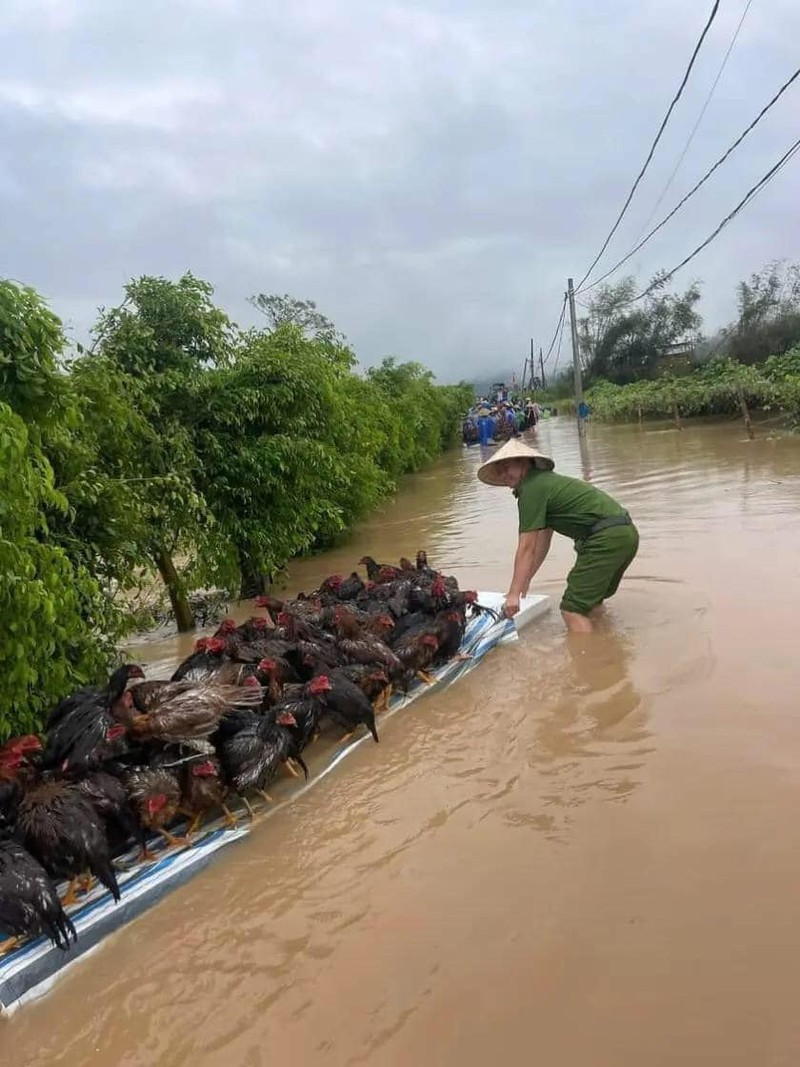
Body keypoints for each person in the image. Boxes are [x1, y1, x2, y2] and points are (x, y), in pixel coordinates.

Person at [476, 438, 638, 633]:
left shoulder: (531, 490)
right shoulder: (544, 483)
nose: (503, 475)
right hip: (625, 534)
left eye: (506, 467)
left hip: (605, 539)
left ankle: (589, 661)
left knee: (572, 610)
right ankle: (604, 645)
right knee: (590, 603)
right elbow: (542, 542)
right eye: (499, 470)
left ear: (524, 462)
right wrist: (524, 582)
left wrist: (512, 594)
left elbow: (526, 547)